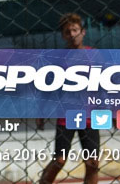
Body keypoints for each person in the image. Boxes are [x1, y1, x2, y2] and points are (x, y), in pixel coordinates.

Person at [37, 13, 99, 184]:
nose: (72, 34)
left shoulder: (93, 55)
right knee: (60, 160)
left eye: (75, 30)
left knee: (92, 162)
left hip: (90, 115)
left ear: (83, 32)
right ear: (63, 36)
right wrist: (40, 113)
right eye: (67, 32)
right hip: (66, 115)